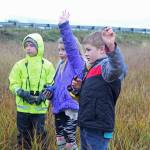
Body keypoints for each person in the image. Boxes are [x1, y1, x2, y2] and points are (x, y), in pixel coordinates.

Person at [70, 27, 127, 149]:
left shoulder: (106, 67)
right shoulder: (91, 69)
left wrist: (111, 47)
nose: (85, 53)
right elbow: (92, 95)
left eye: (89, 50)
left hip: (98, 127)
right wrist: (80, 88)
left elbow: (118, 68)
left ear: (102, 50)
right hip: (87, 124)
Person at [9, 33, 55, 150]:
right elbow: (13, 84)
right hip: (23, 109)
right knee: (23, 137)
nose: (28, 48)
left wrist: (43, 96)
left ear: (39, 47)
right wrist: (21, 93)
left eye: (31, 45)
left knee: (40, 136)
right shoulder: (19, 65)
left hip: (39, 110)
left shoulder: (48, 66)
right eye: (26, 45)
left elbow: (52, 85)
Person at [47, 11, 84, 150]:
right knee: (60, 140)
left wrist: (64, 26)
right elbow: (58, 87)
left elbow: (71, 48)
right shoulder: (60, 65)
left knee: (69, 143)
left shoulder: (76, 63)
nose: (61, 52)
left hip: (70, 108)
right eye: (59, 50)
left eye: (64, 49)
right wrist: (50, 92)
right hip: (58, 107)